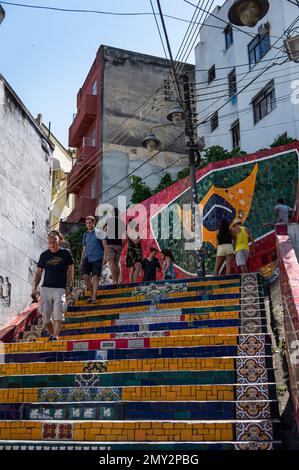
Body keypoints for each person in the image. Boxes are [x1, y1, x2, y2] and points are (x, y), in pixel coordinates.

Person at [33, 232, 74, 341]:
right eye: (50, 242)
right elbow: (38, 273)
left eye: (54, 242)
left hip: (60, 288)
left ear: (59, 241)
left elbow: (70, 270)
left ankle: (55, 335)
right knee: (45, 315)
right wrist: (35, 288)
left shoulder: (65, 253)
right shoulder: (44, 255)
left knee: (58, 310)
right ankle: (52, 335)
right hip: (46, 288)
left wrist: (69, 285)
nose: (52, 244)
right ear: (48, 243)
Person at [80, 216, 106, 303]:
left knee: (95, 277)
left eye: (90, 222)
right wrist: (81, 261)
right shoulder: (85, 235)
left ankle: (94, 297)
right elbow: (84, 249)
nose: (88, 224)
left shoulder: (99, 233)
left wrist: (105, 259)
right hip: (87, 257)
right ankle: (92, 295)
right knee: (85, 277)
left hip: (98, 257)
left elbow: (105, 247)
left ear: (93, 223)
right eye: (87, 223)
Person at [104, 208, 125, 284]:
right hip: (119, 245)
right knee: (116, 263)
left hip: (111, 244)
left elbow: (107, 231)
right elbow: (125, 235)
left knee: (111, 262)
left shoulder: (109, 221)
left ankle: (114, 280)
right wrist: (123, 244)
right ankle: (117, 280)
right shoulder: (122, 222)